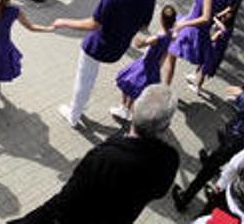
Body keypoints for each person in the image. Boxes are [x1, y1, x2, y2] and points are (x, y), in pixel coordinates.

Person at [10, 84, 179, 224]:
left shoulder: (104, 157)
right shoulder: (169, 159)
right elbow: (159, 192)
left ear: (133, 110)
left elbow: (64, 202)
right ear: (165, 127)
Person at [54, 0, 156, 128]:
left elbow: (93, 24)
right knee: (88, 79)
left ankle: (74, 115)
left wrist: (64, 22)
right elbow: (144, 24)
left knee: (84, 80)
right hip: (118, 47)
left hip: (97, 45)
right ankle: (81, 106)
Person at [173, 85, 244, 211]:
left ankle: (185, 198)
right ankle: (215, 164)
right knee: (222, 150)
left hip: (238, 138)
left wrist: (240, 96)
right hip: (236, 132)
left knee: (208, 170)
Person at [165, 0, 228, 90]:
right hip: (200, 29)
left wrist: (183, 24)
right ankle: (164, 88)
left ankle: (164, 89)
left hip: (192, 28)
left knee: (170, 55)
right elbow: (213, 14)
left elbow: (205, 17)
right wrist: (217, 22)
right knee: (170, 54)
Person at [111, 5, 176, 121]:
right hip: (155, 66)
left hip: (145, 64)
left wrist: (135, 33)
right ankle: (128, 109)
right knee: (136, 87)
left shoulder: (157, 37)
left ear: (161, 19)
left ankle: (124, 109)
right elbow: (166, 52)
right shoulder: (171, 35)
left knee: (129, 82)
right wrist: (160, 65)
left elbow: (139, 44)